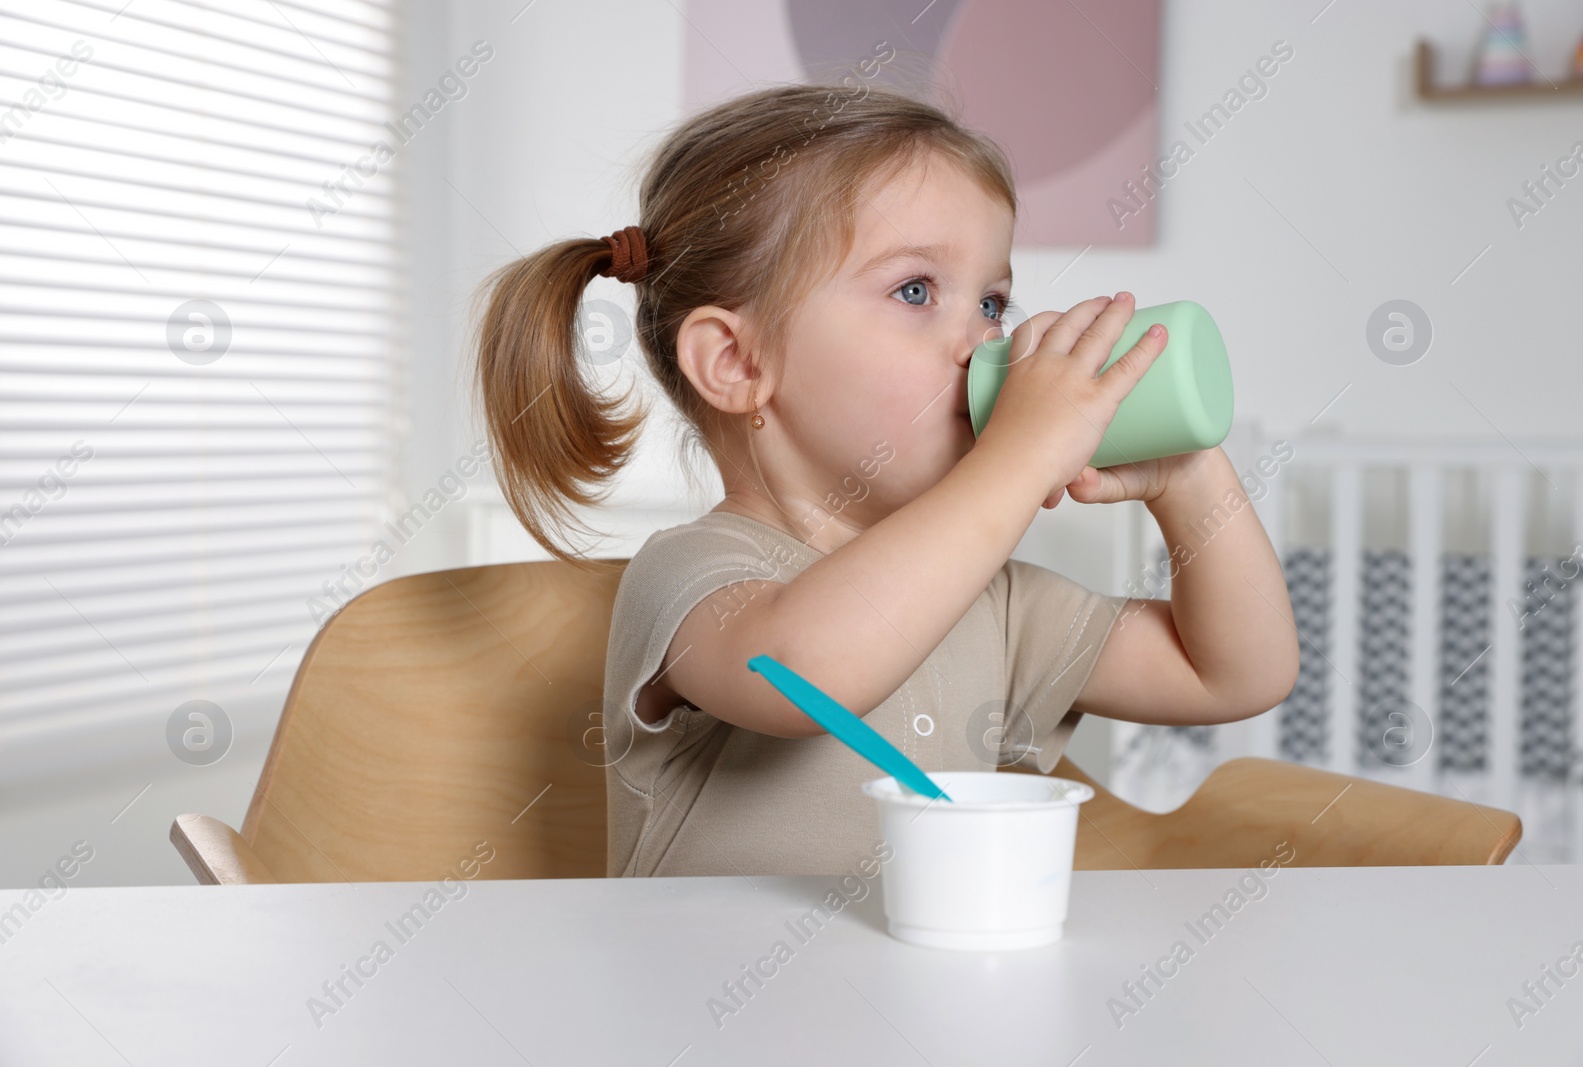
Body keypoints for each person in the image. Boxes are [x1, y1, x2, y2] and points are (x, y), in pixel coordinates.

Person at [471, 83, 1300, 878]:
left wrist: (1188, 478)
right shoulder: (694, 577)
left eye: (992, 303)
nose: (981, 343)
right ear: (737, 361)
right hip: (709, 1018)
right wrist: (1019, 459)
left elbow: (1233, 673)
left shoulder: (994, 604)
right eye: (915, 290)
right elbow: (804, 674)